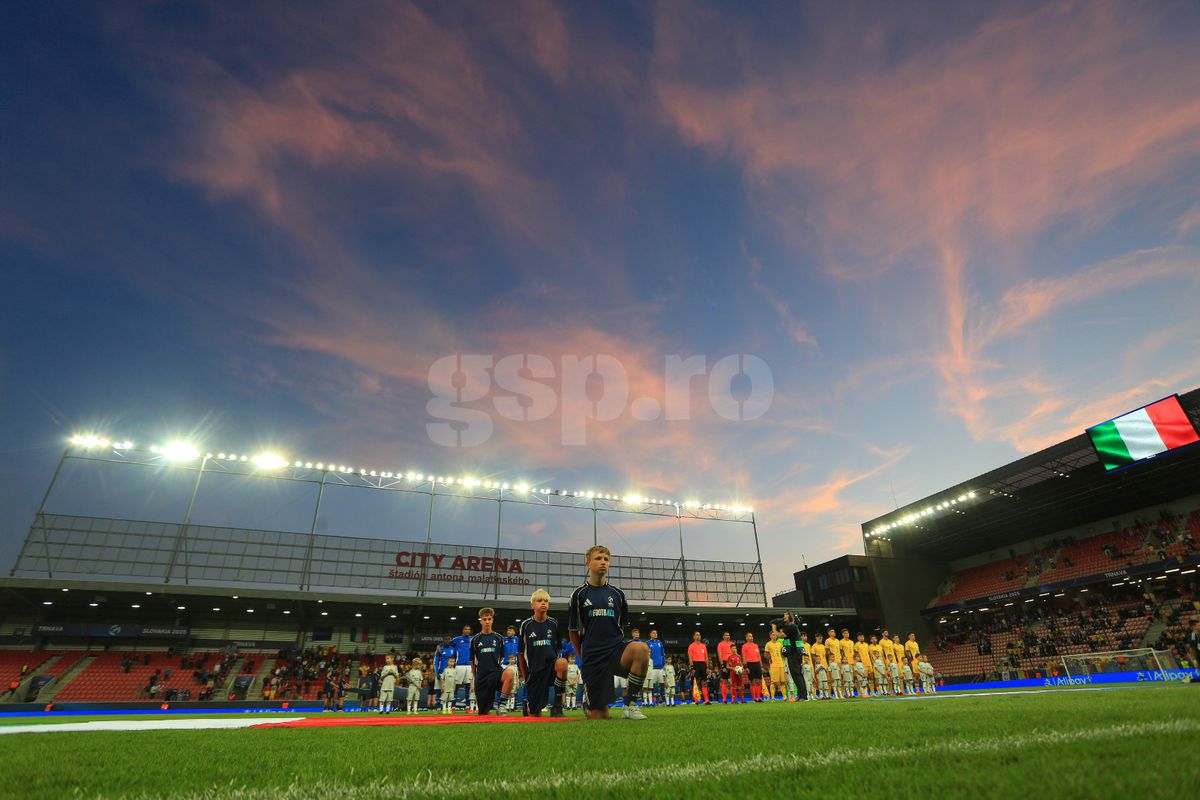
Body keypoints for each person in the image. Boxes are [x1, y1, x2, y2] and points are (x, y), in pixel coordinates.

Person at [567, 545, 651, 720]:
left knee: (642, 649)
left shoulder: (618, 594)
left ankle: (630, 705)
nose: (603, 562)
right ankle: (589, 703)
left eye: (606, 559)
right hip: (593, 656)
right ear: (588, 564)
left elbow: (620, 627)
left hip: (615, 651)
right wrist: (583, 657)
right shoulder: (579, 595)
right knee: (600, 716)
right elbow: (573, 631)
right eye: (598, 558)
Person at [518, 588, 569, 718]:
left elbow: (559, 649)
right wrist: (525, 676)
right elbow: (520, 653)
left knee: (563, 663)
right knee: (535, 715)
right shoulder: (526, 625)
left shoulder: (554, 624)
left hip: (551, 667)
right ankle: (529, 705)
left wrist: (558, 664)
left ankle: (557, 706)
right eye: (539, 600)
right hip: (534, 671)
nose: (543, 603)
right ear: (532, 605)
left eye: (546, 601)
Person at [471, 608, 515, 716]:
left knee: (510, 673)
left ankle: (502, 706)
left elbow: (501, 656)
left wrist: (496, 667)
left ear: (492, 620)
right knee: (484, 713)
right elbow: (472, 661)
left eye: (489, 619)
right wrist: (476, 678)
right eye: (484, 619)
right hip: (482, 676)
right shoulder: (475, 639)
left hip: (495, 673)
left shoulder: (499, 638)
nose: (487, 621)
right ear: (480, 621)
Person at [776, 611, 808, 701]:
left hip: (795, 653)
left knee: (797, 674)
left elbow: (781, 635)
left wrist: (774, 628)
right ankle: (801, 695)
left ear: (790, 618)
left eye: (785, 616)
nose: (784, 618)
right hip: (792, 653)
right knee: (794, 675)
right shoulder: (790, 627)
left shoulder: (793, 627)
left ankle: (803, 696)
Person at [451, 624, 475, 711]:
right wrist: (440, 646)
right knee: (456, 687)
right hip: (459, 665)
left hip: (469, 665)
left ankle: (467, 707)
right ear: (463, 630)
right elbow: (447, 644)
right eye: (466, 629)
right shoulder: (456, 639)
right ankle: (453, 707)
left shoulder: (473, 639)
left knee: (468, 687)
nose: (467, 631)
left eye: (469, 629)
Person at [687, 631, 711, 704]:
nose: (698, 636)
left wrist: (707, 667)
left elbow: (706, 657)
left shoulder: (703, 646)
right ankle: (696, 700)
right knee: (696, 683)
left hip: (703, 664)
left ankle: (706, 700)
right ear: (694, 637)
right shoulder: (691, 646)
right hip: (695, 664)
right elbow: (690, 657)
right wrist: (692, 667)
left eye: (699, 635)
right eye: (697, 635)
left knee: (704, 683)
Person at [764, 630, 787, 700]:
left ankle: (785, 697)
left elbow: (782, 653)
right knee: (773, 682)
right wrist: (769, 658)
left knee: (782, 682)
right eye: (773, 635)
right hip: (773, 665)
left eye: (775, 635)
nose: (774, 636)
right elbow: (766, 654)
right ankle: (773, 698)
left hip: (781, 664)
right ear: (770, 636)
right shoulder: (768, 644)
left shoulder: (780, 644)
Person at [646, 629, 666, 705]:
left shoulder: (660, 643)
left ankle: (663, 701)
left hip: (660, 668)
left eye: (656, 633)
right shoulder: (647, 643)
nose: (655, 634)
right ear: (650, 634)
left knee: (662, 684)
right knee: (652, 685)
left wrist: (664, 664)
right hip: (652, 668)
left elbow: (663, 654)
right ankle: (651, 701)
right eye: (653, 633)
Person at [742, 632, 763, 702]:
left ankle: (759, 698)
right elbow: (744, 657)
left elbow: (759, 656)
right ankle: (754, 698)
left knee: (759, 681)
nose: (751, 638)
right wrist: (746, 666)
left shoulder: (756, 645)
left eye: (752, 636)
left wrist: (761, 665)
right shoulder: (744, 646)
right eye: (750, 636)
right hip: (750, 664)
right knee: (752, 681)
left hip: (757, 664)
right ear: (746, 638)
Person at [433, 636, 454, 708]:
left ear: (450, 640)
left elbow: (454, 661)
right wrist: (437, 672)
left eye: (449, 639)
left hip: (450, 673)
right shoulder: (439, 649)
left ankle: (447, 708)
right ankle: (438, 708)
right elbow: (435, 662)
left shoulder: (453, 649)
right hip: (440, 672)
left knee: (448, 690)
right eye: (446, 639)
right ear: (443, 640)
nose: (447, 641)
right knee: (439, 690)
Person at [716, 631, 734, 703]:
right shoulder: (720, 644)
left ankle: (733, 699)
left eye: (728, 635)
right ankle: (724, 699)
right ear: (723, 637)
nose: (728, 636)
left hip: (732, 663)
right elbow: (719, 655)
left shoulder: (732, 644)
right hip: (724, 662)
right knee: (725, 681)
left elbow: (734, 653)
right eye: (726, 635)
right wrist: (722, 666)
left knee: (733, 681)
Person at [811, 634, 828, 699]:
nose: (820, 639)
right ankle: (819, 695)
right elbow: (813, 656)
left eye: (821, 638)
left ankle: (827, 695)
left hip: (824, 664)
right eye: (819, 638)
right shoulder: (814, 646)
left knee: (825, 681)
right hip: (818, 666)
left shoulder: (823, 646)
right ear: (816, 638)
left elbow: (825, 656)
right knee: (819, 681)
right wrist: (815, 665)